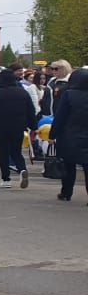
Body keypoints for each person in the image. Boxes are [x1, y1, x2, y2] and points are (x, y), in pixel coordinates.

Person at [0, 69, 38, 190]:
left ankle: (6, 179)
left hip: (1, 127)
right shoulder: (22, 93)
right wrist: (34, 127)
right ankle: (22, 169)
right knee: (16, 151)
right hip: (18, 127)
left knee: (3, 153)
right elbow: (31, 111)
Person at [52, 68, 88, 202]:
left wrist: (52, 133)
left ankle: (66, 192)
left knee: (68, 166)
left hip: (70, 135)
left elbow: (60, 116)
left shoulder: (69, 94)